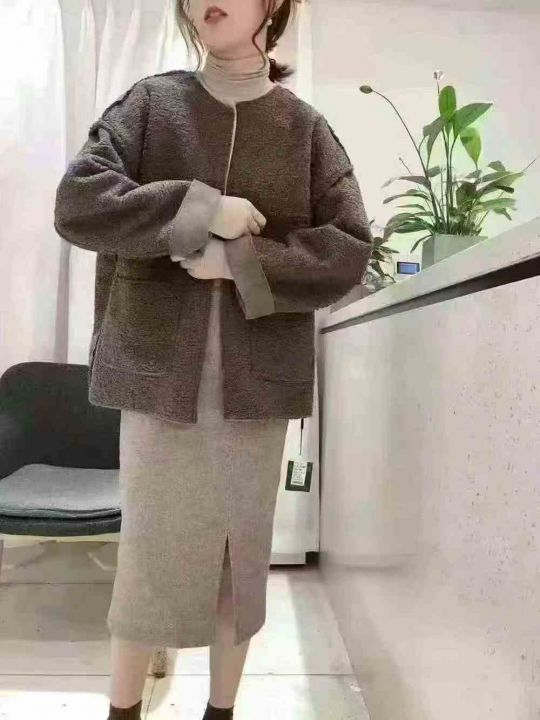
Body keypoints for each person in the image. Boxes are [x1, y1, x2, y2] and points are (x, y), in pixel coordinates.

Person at [54, 1, 373, 718]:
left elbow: (349, 250)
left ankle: (220, 712)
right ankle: (122, 711)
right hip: (156, 375)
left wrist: (240, 260)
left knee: (240, 560)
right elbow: (79, 202)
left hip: (255, 388)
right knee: (147, 557)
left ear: (274, 5)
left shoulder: (305, 130)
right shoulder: (150, 105)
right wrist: (201, 208)